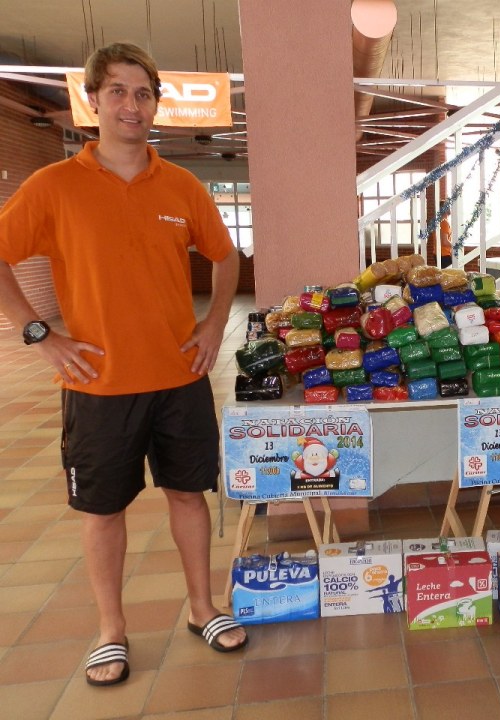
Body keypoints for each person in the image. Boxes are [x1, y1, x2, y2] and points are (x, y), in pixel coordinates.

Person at [0, 43, 247, 687]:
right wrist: (39, 333)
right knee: (102, 511)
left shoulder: (182, 185)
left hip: (180, 378)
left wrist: (215, 322)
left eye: (143, 93)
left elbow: (225, 257)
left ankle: (202, 607)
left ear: (156, 105)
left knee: (188, 495)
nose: (131, 104)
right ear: (93, 100)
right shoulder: (53, 186)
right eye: (117, 91)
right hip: (97, 384)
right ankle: (111, 632)